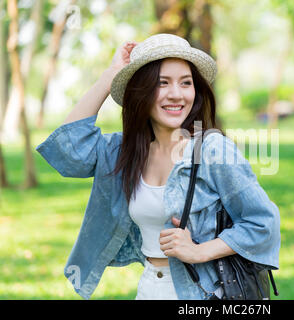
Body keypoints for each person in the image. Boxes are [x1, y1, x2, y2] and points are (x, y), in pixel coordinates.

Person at [36, 33, 280, 300]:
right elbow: (67, 150)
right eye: (162, 83)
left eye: (186, 83)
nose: (176, 94)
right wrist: (111, 76)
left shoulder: (212, 150)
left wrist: (199, 251)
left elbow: (263, 222)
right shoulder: (124, 152)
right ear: (141, 91)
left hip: (202, 293)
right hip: (150, 287)